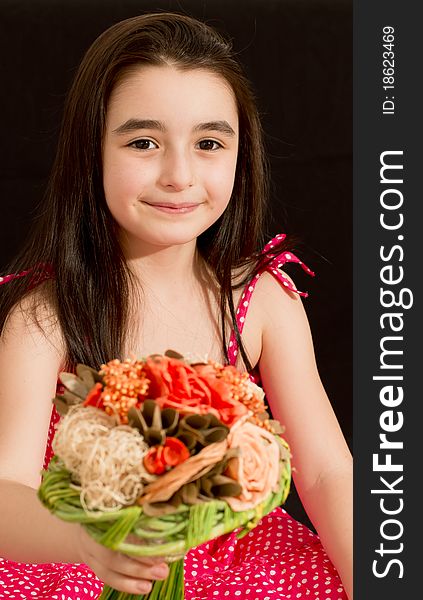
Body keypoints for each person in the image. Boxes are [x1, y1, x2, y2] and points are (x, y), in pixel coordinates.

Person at [0, 12, 352, 600]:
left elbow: (324, 471)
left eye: (209, 143)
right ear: (91, 150)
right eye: (143, 143)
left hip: (245, 564)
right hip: (83, 560)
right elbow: (6, 487)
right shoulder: (46, 316)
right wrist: (87, 542)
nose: (179, 175)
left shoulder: (262, 302)